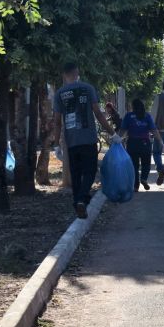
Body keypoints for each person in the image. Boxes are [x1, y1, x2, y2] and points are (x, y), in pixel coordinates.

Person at [50, 62, 120, 219]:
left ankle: (78, 202)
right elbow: (98, 114)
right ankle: (81, 199)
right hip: (88, 138)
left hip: (71, 140)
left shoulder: (60, 93)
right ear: (77, 73)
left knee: (75, 173)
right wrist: (113, 134)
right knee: (90, 170)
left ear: (64, 75)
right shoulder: (88, 88)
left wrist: (56, 145)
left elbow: (56, 121)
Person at [120, 99, 164, 192]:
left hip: (132, 143)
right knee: (146, 164)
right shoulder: (147, 116)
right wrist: (160, 141)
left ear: (133, 107)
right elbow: (154, 130)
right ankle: (144, 178)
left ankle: (135, 186)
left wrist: (118, 139)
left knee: (134, 165)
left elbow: (123, 130)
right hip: (145, 143)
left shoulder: (129, 116)